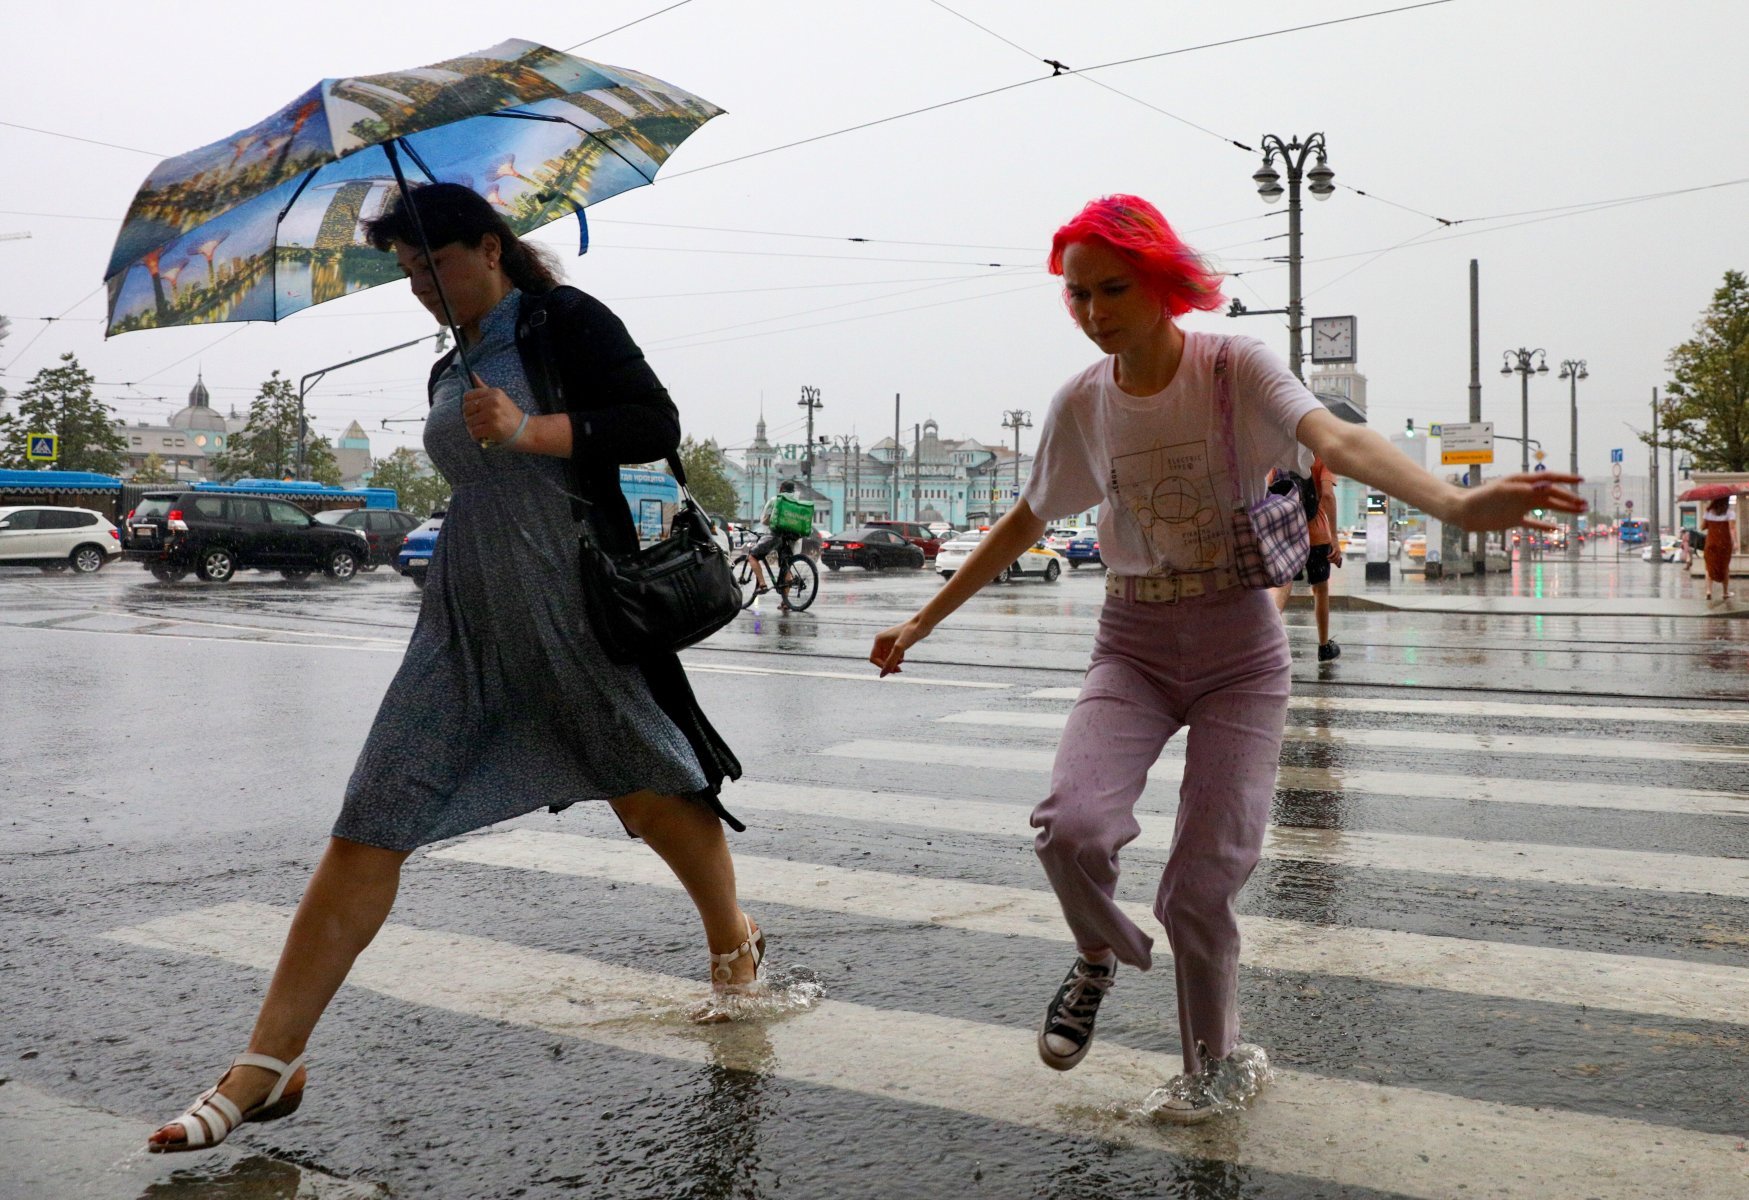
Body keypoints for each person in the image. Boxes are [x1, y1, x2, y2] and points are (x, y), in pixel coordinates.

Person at [868, 195, 1583, 1124]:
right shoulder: (1082, 402)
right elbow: (1027, 518)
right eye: (1076, 296)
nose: (1092, 312)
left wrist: (1449, 504)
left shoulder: (1232, 366)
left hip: (1240, 648)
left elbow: (1335, 436)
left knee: (1199, 888)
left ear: (1163, 281)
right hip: (1131, 642)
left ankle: (1209, 1068)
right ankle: (1096, 956)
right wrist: (922, 622)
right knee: (1070, 829)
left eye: (1111, 288)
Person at [148, 183, 757, 1153]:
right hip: (464, 625)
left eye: (436, 264)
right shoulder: (451, 363)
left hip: (570, 607)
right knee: (373, 812)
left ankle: (734, 941)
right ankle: (268, 1062)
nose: (425, 287)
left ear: (490, 246)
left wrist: (531, 429)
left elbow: (652, 422)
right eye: (408, 273)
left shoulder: (564, 320)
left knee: (648, 791)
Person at [1272, 456, 1343, 660]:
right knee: (1320, 588)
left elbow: (1268, 489)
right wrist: (1335, 538)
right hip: (1317, 535)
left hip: (1288, 534)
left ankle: (1270, 636)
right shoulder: (1321, 457)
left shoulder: (1282, 453)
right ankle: (1324, 646)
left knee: (1283, 585)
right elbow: (1328, 495)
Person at [748, 480, 810, 611]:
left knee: (752, 556)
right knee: (785, 566)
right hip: (793, 538)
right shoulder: (797, 503)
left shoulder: (776, 500)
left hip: (776, 536)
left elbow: (764, 520)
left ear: (781, 489)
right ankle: (785, 602)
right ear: (793, 490)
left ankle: (762, 584)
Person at [1703, 496, 1737, 601]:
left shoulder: (1708, 512)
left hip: (1711, 543)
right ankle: (1725, 592)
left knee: (1709, 566)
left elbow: (1703, 527)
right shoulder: (1729, 513)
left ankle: (1708, 591)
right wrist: (1735, 542)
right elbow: (1732, 529)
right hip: (1724, 544)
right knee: (1724, 567)